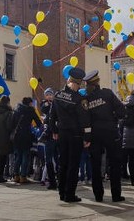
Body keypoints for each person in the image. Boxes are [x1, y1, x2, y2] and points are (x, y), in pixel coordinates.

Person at [50, 67, 91, 203]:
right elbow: (85, 120)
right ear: (77, 83)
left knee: (63, 164)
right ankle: (69, 194)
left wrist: (54, 131)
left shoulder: (57, 95)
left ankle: (62, 193)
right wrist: (87, 137)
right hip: (75, 136)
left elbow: (52, 116)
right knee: (73, 165)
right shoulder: (79, 98)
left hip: (62, 134)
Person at [84, 70, 126, 202]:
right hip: (110, 133)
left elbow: (85, 119)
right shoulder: (107, 93)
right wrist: (112, 117)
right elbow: (121, 111)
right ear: (98, 82)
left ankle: (98, 195)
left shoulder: (86, 99)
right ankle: (116, 194)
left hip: (94, 135)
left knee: (95, 165)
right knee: (114, 164)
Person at [12, 97, 42, 183]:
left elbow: (13, 122)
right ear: (29, 103)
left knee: (18, 156)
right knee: (25, 155)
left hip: (17, 136)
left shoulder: (16, 110)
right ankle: (23, 176)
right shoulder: (30, 110)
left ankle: (16, 175)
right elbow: (38, 122)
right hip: (26, 135)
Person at [39, 88, 58, 190]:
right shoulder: (45, 104)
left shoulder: (56, 104)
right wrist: (48, 104)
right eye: (47, 95)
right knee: (49, 159)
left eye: (51, 94)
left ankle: (56, 180)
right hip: (49, 135)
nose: (49, 96)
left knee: (54, 158)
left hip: (54, 135)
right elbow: (43, 109)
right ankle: (52, 181)